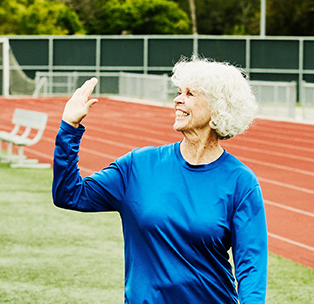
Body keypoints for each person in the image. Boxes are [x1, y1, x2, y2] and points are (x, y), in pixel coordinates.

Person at [52, 57, 268, 303]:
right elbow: (68, 194)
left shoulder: (241, 182)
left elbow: (251, 268)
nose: (177, 99)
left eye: (190, 94)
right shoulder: (138, 166)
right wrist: (69, 127)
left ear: (219, 108)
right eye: (178, 92)